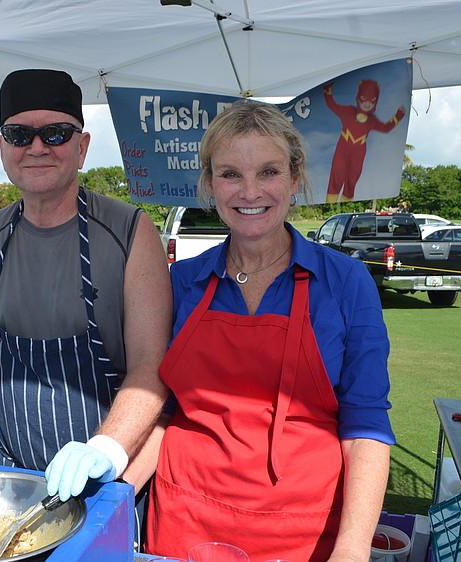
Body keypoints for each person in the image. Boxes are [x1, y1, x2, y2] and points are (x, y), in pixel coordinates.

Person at [143, 100, 395, 561]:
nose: (249, 191)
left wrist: (353, 547)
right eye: (231, 174)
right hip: (184, 522)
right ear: (209, 185)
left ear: (295, 178)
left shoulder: (345, 282)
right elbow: (159, 412)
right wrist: (108, 496)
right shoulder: (181, 282)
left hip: (305, 531)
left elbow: (366, 427)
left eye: (269, 172)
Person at [0, 69, 172, 508]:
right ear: (2, 149)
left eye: (56, 133)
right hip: (6, 482)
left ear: (82, 147)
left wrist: (107, 452)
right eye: (19, 134)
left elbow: (151, 365)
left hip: (106, 483)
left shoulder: (131, 232)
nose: (37, 147)